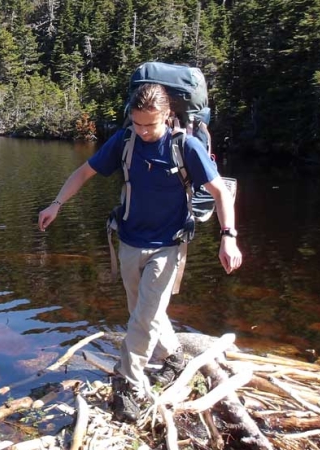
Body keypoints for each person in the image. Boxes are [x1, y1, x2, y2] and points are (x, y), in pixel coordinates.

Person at [37, 83, 243, 422]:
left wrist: (228, 236)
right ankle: (174, 357)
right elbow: (84, 172)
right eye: (138, 124)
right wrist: (56, 203)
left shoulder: (185, 146)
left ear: (168, 116)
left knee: (144, 315)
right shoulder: (125, 141)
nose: (144, 131)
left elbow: (220, 192)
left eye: (151, 124)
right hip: (130, 241)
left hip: (169, 245)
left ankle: (127, 383)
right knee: (142, 311)